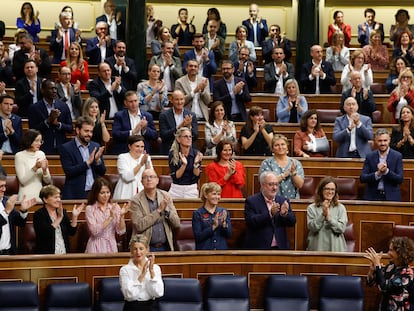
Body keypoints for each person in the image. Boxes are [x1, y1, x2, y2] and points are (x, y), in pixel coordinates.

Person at [130, 169, 180, 251]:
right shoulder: (136, 200)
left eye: (151, 177)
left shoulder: (165, 196)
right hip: (145, 249)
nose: (149, 179)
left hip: (165, 247)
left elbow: (176, 223)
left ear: (157, 181)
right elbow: (139, 225)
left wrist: (167, 211)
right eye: (145, 177)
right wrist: (158, 211)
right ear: (142, 182)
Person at [244, 170, 296, 250]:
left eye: (276, 184)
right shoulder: (251, 201)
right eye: (271, 184)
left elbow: (292, 221)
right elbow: (251, 222)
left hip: (280, 248)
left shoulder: (283, 201)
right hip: (259, 249)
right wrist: (269, 214)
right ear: (262, 185)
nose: (274, 188)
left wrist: (284, 214)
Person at [60, 116, 106, 200]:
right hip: (75, 193)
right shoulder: (66, 148)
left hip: (94, 193)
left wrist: (97, 160)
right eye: (86, 131)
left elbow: (102, 172)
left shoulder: (95, 146)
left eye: (91, 131)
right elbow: (69, 171)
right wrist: (87, 163)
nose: (89, 134)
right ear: (77, 130)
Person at [365, 236, 414, 311]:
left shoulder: (408, 273)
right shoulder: (390, 267)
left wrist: (378, 266)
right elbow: (370, 283)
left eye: (391, 250)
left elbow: (385, 287)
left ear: (400, 253)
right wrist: (372, 270)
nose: (388, 253)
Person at [34, 185, 84, 254]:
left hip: (64, 252)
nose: (59, 200)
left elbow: (71, 232)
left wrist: (74, 217)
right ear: (45, 199)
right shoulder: (39, 214)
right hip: (46, 255)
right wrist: (59, 218)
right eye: (55, 197)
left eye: (59, 197)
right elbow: (45, 234)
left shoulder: (62, 211)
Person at [119, 234, 164, 310]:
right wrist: (142, 276)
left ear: (147, 250)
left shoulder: (155, 268)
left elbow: (158, 293)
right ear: (131, 251)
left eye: (141, 248)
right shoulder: (124, 270)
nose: (138, 252)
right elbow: (129, 296)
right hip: (132, 307)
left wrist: (152, 273)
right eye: (135, 249)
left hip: (151, 307)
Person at [28, 79, 73, 155]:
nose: (54, 91)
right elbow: (32, 130)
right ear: (42, 90)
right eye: (51, 88)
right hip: (42, 148)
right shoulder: (34, 108)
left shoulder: (63, 106)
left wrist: (58, 124)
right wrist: (48, 121)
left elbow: (70, 128)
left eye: (55, 88)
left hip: (61, 147)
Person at [85, 177, 129, 253]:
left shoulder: (115, 207)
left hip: (111, 245)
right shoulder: (90, 209)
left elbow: (121, 231)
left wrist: (121, 216)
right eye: (102, 193)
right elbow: (94, 231)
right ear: (96, 193)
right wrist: (110, 218)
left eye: (108, 192)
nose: (106, 196)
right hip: (95, 246)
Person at [360, 128, 404, 201]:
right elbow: (363, 178)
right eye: (380, 141)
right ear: (375, 141)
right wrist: (378, 174)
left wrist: (387, 171)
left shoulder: (397, 156)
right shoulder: (370, 156)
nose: (383, 143)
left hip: (391, 197)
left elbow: (400, 179)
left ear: (389, 140)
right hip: (373, 196)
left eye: (385, 140)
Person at [306, 176, 348, 252]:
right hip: (317, 249)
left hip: (336, 250)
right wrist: (323, 215)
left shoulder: (340, 208)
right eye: (327, 189)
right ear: (321, 190)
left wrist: (329, 218)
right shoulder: (312, 208)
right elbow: (312, 227)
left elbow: (341, 228)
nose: (330, 192)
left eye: (332, 189)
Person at [259, 134, 305, 199]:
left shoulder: (295, 163)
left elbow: (300, 185)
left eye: (283, 144)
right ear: (272, 148)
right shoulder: (267, 163)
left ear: (287, 146)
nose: (280, 147)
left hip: (292, 201)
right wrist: (284, 175)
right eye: (276, 145)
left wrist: (294, 173)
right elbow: (266, 184)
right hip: (271, 200)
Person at [0, 174, 36, 255]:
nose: (4, 189)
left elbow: (20, 222)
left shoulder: (6, 201)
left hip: (9, 252)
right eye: (1, 186)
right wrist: (6, 212)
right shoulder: (8, 205)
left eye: (5, 186)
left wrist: (23, 210)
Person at [192, 182, 232, 250]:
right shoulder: (198, 214)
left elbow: (229, 235)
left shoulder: (224, 212)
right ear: (206, 195)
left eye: (218, 194)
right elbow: (198, 237)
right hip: (205, 252)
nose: (217, 197)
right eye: (214, 194)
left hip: (221, 251)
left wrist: (224, 225)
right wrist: (213, 227)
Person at [15, 129, 51, 202]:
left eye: (40, 141)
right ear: (29, 141)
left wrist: (44, 171)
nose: (39, 143)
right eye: (37, 141)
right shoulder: (19, 156)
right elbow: (23, 181)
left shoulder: (41, 154)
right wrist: (35, 168)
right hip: (25, 197)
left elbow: (48, 181)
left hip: (40, 196)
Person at [113, 135, 153, 200]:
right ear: (129, 146)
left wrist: (146, 163)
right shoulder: (122, 157)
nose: (140, 149)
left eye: (142, 147)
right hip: (125, 193)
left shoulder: (146, 158)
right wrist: (141, 164)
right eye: (137, 146)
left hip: (142, 194)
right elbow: (127, 177)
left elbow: (151, 177)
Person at [159, 89, 198, 155]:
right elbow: (164, 135)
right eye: (177, 99)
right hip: (170, 149)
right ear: (171, 100)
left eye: (181, 99)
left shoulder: (191, 115)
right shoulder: (164, 115)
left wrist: (189, 127)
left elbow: (195, 136)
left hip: (188, 150)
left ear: (184, 100)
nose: (179, 102)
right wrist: (180, 126)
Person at [168, 127, 203, 199]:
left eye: (190, 136)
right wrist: (184, 165)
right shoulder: (173, 154)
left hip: (191, 188)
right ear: (178, 139)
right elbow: (176, 176)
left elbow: (196, 175)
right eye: (186, 136)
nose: (189, 138)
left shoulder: (196, 153)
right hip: (176, 189)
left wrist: (196, 163)